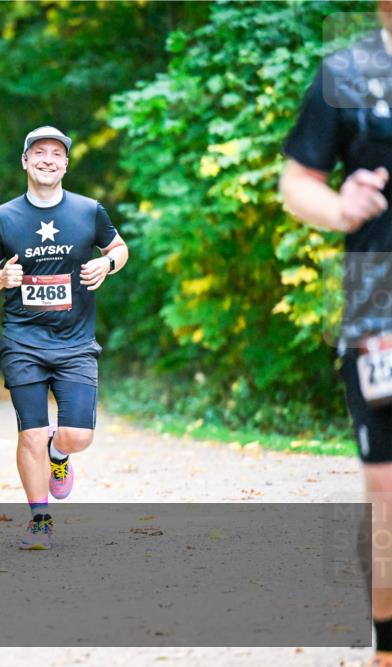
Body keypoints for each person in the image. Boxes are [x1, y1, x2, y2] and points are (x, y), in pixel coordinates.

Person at [279, 4, 392, 664]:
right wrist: (340, 206)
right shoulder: (346, 72)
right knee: (386, 486)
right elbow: (298, 182)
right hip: (381, 300)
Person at [0, 126, 129, 550]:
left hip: (76, 342)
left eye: (56, 154)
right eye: (38, 152)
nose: (47, 159)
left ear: (65, 164)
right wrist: (1, 276)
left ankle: (58, 456)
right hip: (23, 339)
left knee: (78, 436)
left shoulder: (88, 211)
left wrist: (108, 265)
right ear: (25, 161)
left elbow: (118, 248)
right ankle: (39, 518)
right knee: (30, 433)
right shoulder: (5, 217)